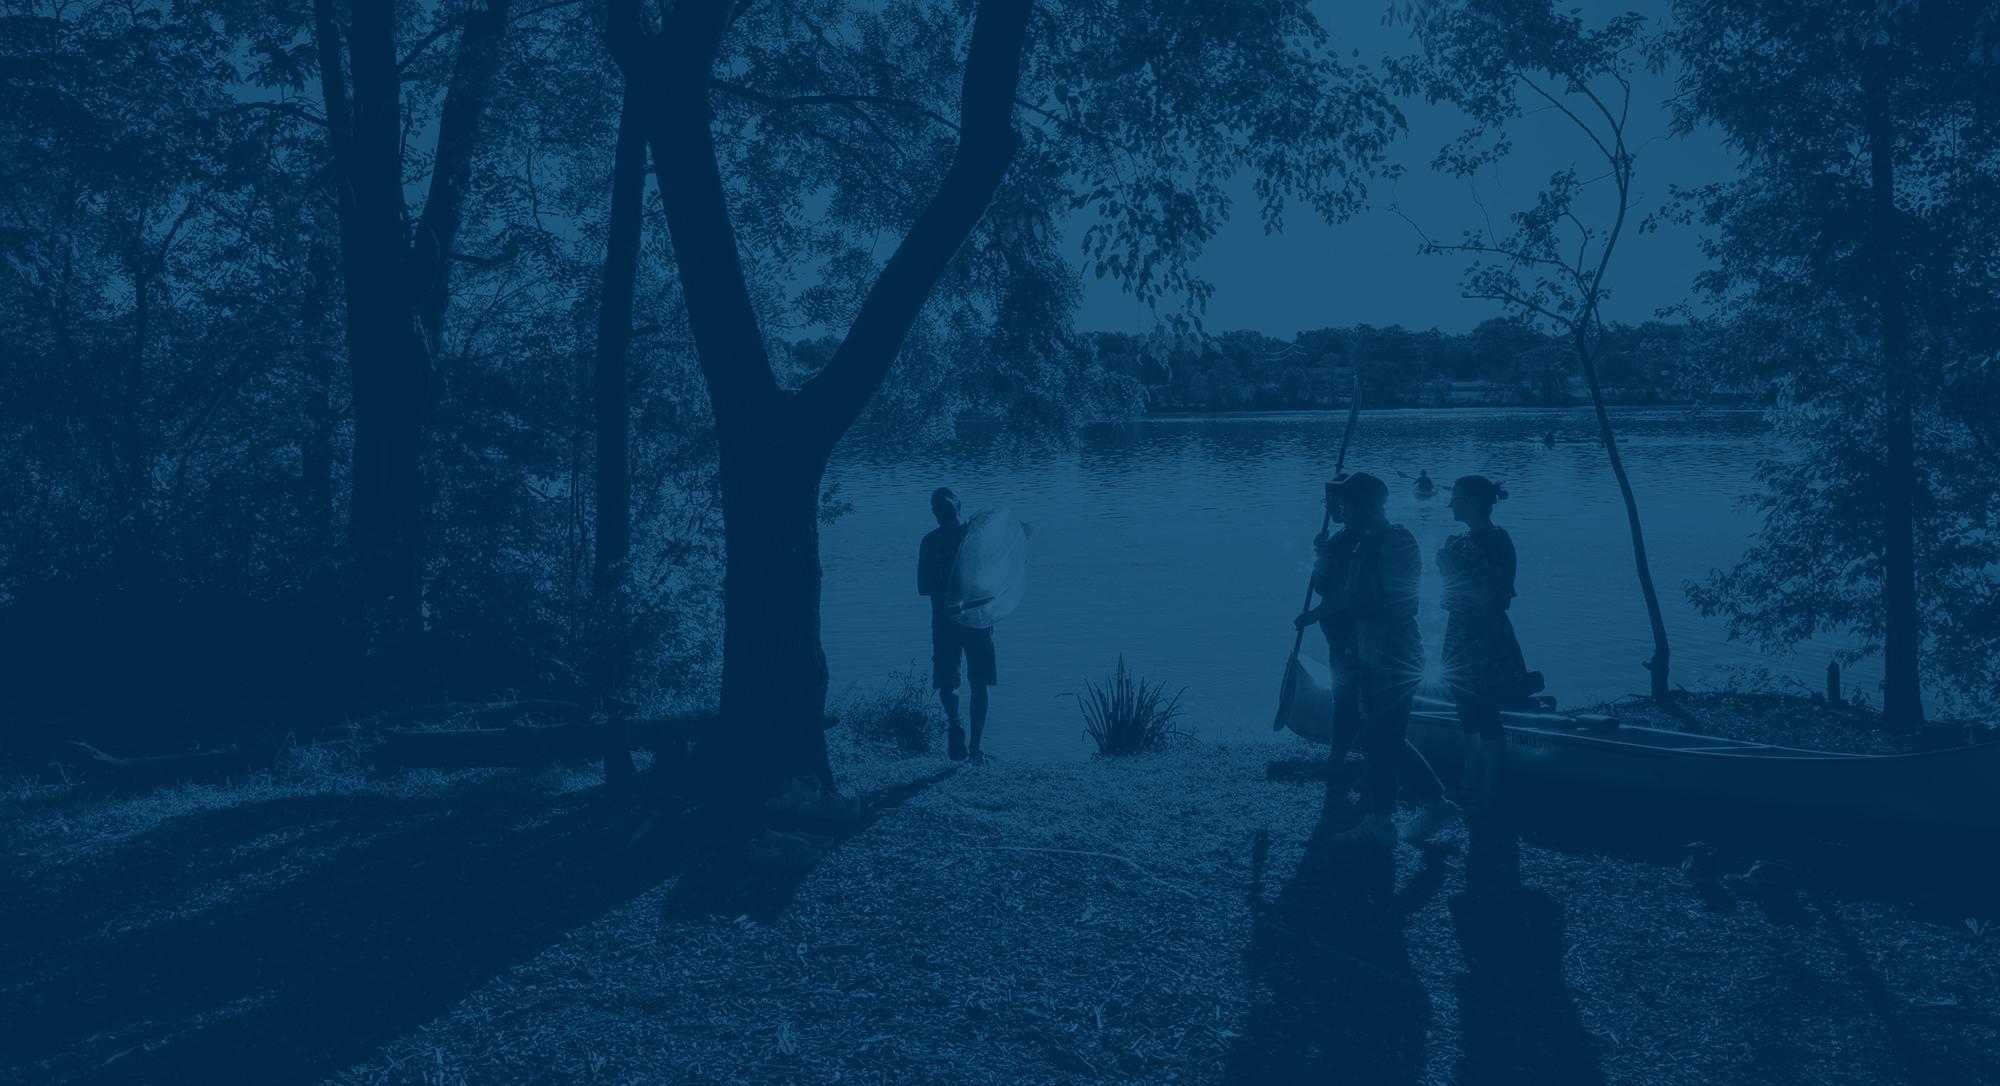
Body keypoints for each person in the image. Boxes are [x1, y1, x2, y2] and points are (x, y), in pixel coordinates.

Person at [1294, 472, 1456, 846]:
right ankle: (1433, 807)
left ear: (1368, 504)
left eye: (1344, 505)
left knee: (1384, 736)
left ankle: (1383, 822)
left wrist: (1360, 618)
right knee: (1379, 735)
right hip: (1366, 650)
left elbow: (1399, 603)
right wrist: (1316, 615)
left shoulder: (1397, 541)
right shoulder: (1366, 541)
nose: (1339, 512)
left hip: (1395, 653)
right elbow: (1349, 594)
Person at [1437, 475, 1530, 809]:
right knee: (1464, 709)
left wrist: (1451, 569)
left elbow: (1486, 596)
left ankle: (1491, 788)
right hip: (1460, 633)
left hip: (1485, 635)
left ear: (1475, 502)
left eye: (1457, 499)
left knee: (1486, 709)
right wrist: (1448, 570)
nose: (1451, 504)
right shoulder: (1462, 540)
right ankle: (1469, 780)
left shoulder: (1495, 541)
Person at [918, 487, 995, 761]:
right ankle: (975, 749)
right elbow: (995, 577)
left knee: (948, 679)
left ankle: (955, 724)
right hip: (977, 619)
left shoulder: (929, 542)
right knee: (979, 681)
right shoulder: (976, 538)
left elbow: (923, 587)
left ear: (934, 514)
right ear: (959, 506)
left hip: (943, 620)